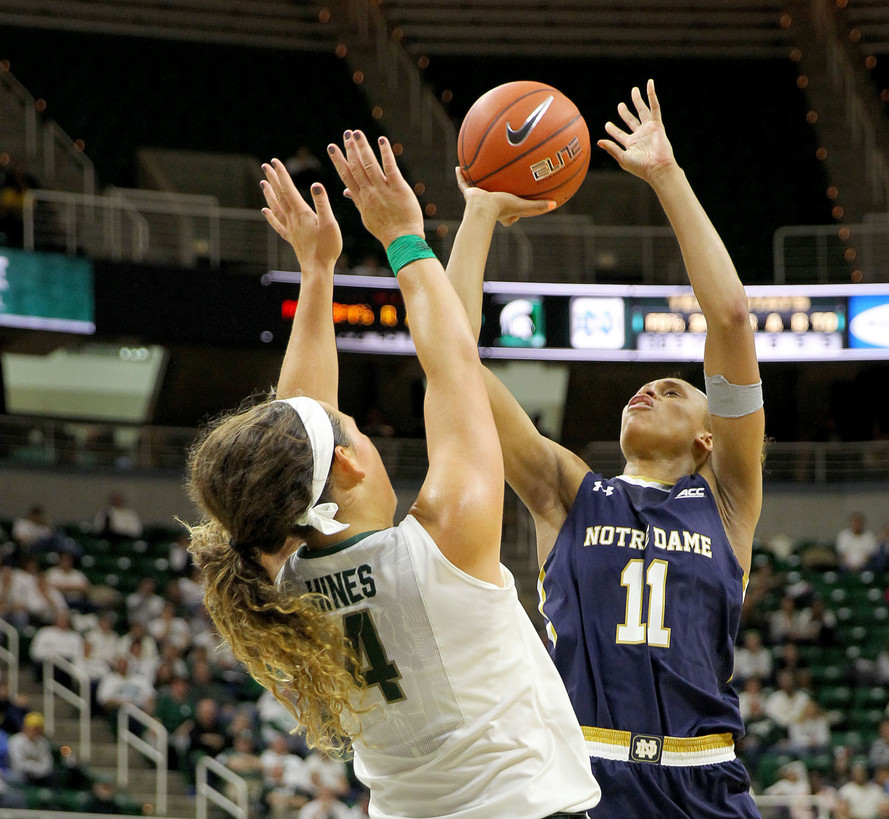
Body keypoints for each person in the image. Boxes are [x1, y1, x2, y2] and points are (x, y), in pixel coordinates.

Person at [186, 142, 599, 819]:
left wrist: (317, 271)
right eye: (354, 429)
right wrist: (403, 237)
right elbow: (454, 361)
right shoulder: (439, 546)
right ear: (347, 463)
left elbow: (300, 431)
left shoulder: (278, 588)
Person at [446, 79, 763, 817]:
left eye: (674, 390)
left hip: (705, 780)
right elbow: (455, 359)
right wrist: (481, 212)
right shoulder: (568, 490)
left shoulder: (728, 498)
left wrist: (666, 175)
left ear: (708, 436)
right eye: (645, 387)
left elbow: (733, 317)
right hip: (584, 781)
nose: (649, 390)